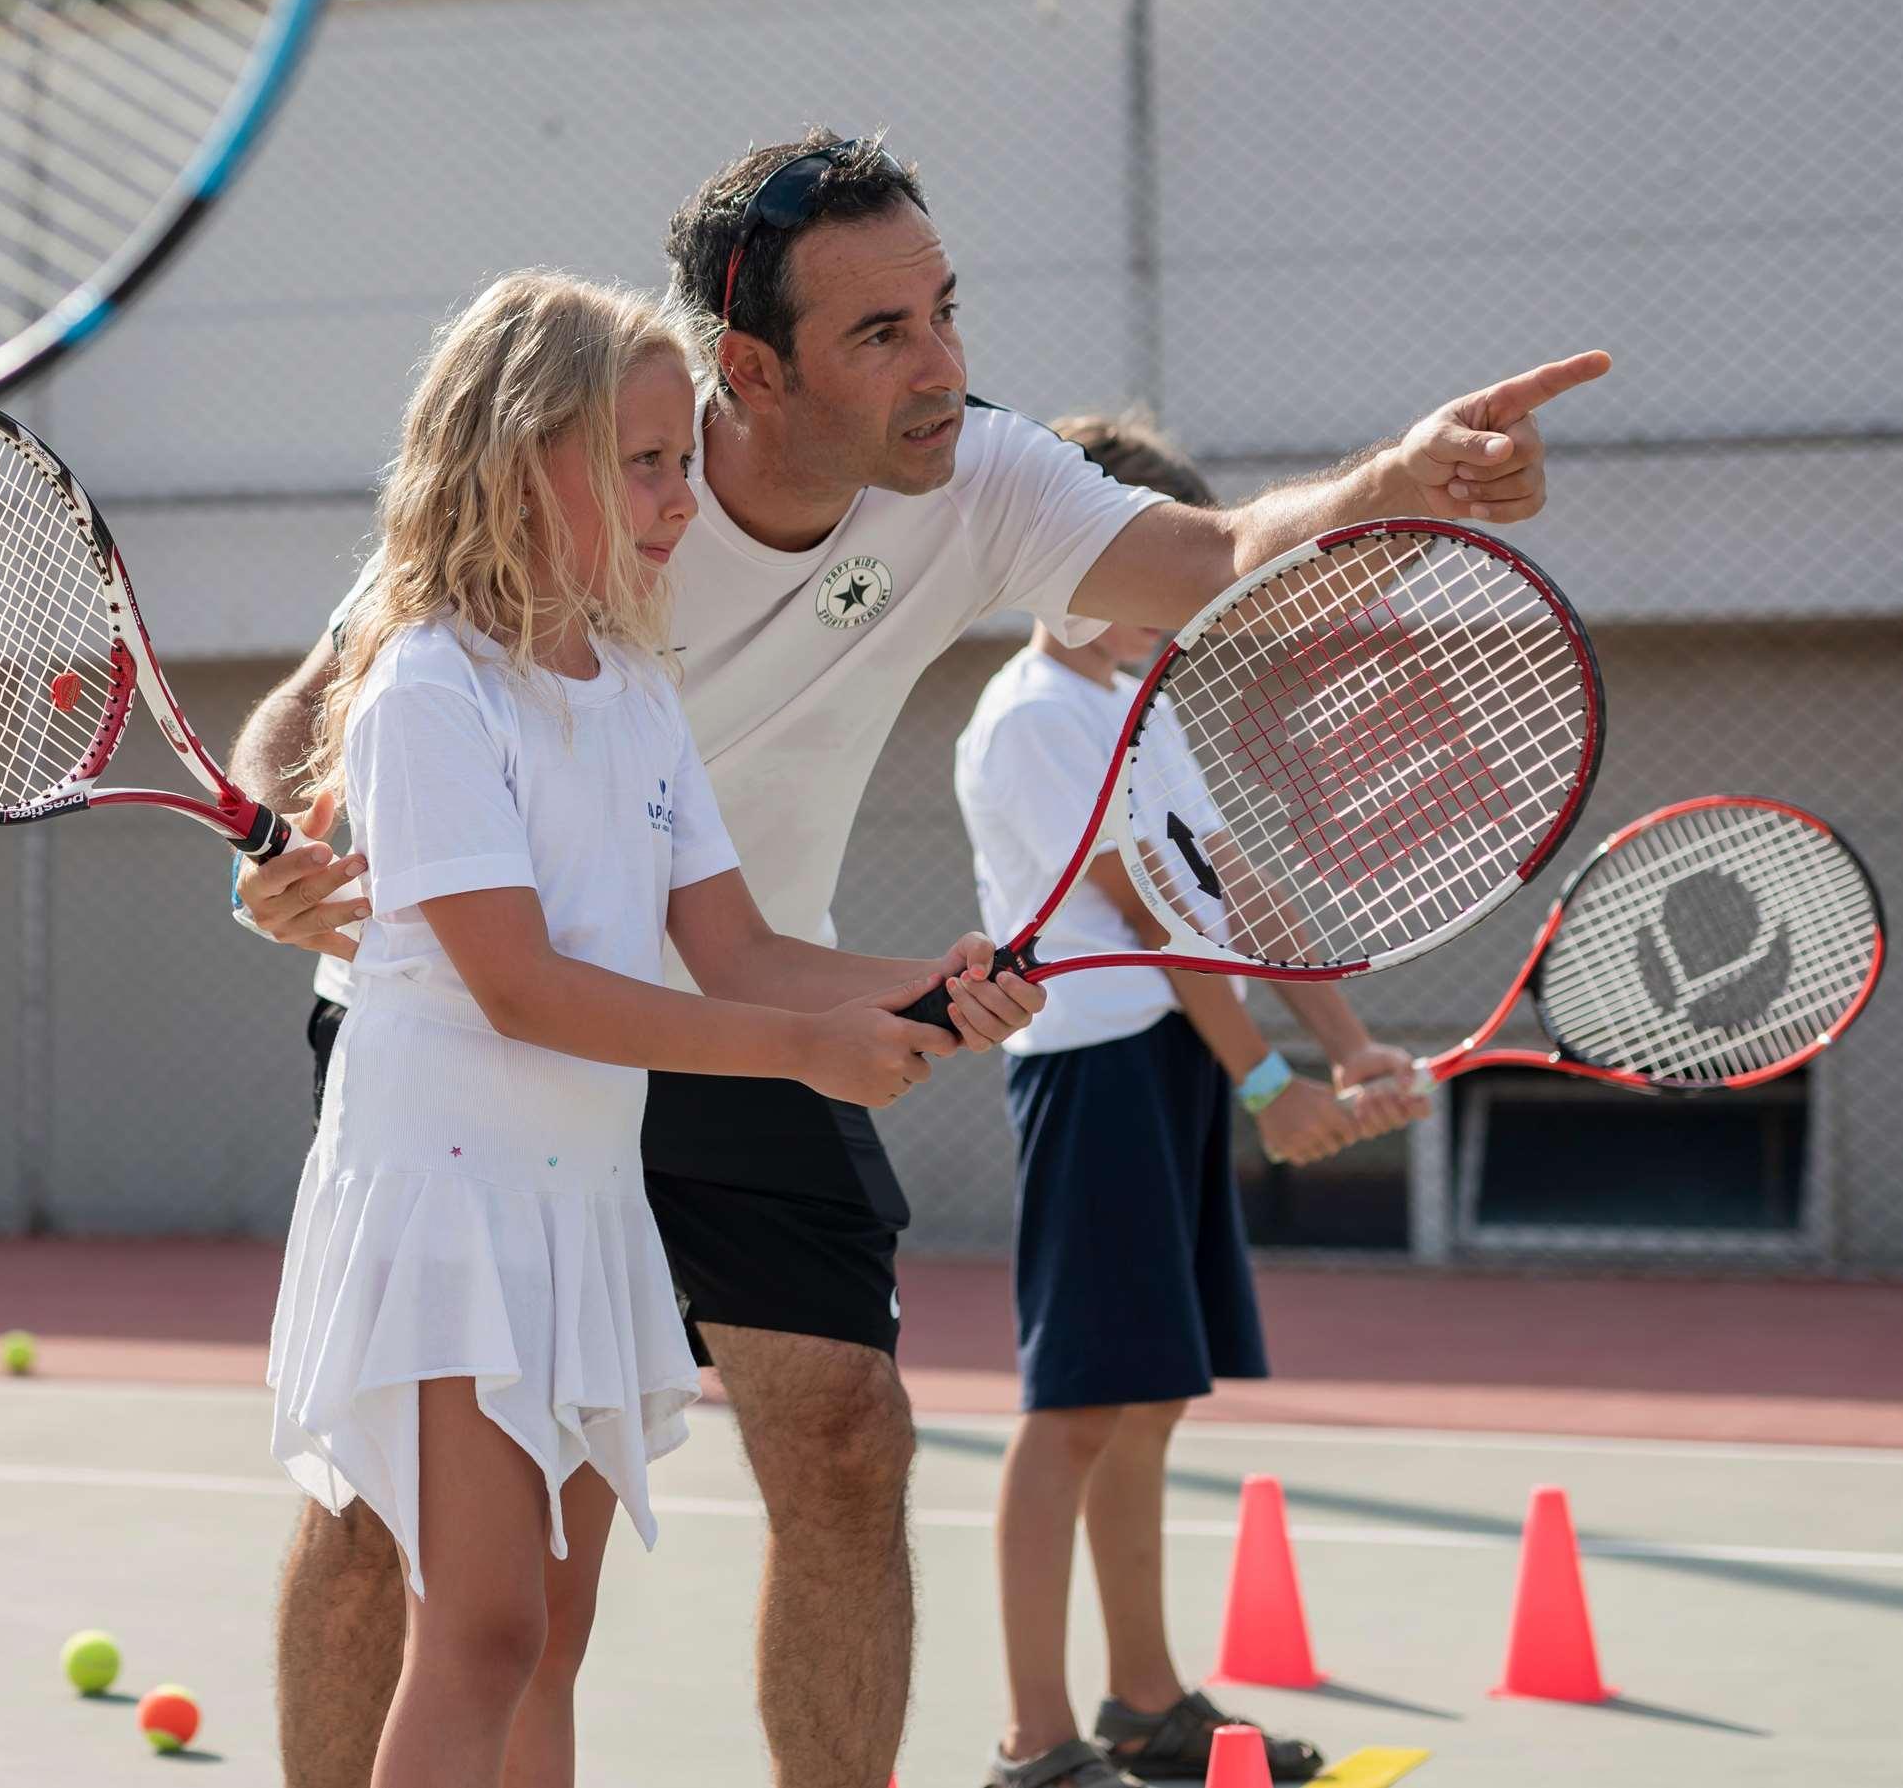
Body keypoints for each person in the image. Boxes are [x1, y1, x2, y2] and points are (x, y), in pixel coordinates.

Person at [234, 129, 1607, 1788]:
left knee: (833, 1431)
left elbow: (1222, 555)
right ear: (753, 367)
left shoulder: (966, 480)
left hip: (735, 988)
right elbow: (313, 725)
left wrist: (1406, 474)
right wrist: (287, 866)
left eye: (945, 309)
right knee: (410, 1540)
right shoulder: (558, 489)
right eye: (880, 334)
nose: (941, 363)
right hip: (472, 1050)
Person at [269, 269, 1023, 1788]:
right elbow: (524, 987)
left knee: (547, 1625)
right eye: (646, 460)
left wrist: (924, 988)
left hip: (584, 1202)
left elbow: (732, 947)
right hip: (452, 1199)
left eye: (685, 455)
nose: (688, 494)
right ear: (512, 459)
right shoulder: (423, 687)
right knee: (477, 1628)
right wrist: (812, 1054)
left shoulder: (632, 688)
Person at [960, 414, 1427, 1788]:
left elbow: (1235, 889)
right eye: (1147, 576)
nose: (1173, 609)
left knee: (1149, 1393)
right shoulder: (1036, 718)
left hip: (1166, 1061)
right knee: (1076, 1407)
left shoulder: (1136, 703)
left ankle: (1145, 1700)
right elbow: (1158, 918)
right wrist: (1273, 1080)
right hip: (1091, 1073)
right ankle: (1035, 1741)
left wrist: (1348, 1044)